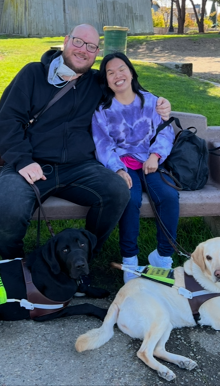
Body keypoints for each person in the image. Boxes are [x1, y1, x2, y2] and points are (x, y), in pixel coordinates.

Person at [0, 24, 172, 269]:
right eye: (78, 42)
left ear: (96, 53)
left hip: (78, 166)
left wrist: (160, 103)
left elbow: (126, 87)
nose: (83, 50)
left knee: (117, 191)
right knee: (7, 213)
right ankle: (19, 266)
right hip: (29, 163)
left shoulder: (96, 81)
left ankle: (82, 261)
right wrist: (23, 160)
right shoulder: (32, 74)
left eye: (91, 46)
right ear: (66, 41)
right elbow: (6, 121)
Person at [91, 52, 179, 283]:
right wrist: (118, 169)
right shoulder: (102, 110)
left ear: (131, 72)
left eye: (122, 69)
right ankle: (130, 259)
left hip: (150, 162)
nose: (117, 75)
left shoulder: (151, 102)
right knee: (130, 199)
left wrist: (155, 155)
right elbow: (103, 145)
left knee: (168, 196)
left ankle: (163, 257)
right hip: (122, 164)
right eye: (110, 72)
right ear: (106, 80)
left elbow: (165, 132)